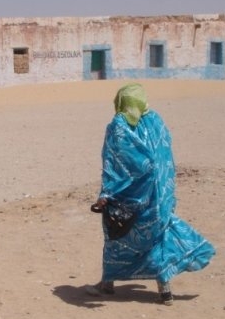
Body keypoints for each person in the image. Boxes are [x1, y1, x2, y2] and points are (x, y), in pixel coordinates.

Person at [87, 83, 216, 305]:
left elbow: (115, 163)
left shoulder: (119, 125)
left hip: (128, 196)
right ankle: (164, 289)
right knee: (157, 237)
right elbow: (164, 155)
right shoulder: (156, 121)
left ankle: (107, 283)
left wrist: (107, 192)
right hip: (158, 195)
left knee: (117, 235)